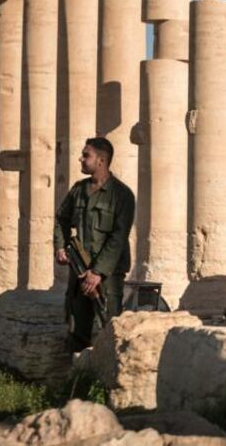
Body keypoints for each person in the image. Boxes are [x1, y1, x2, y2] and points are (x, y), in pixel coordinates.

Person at [54, 137, 135, 352]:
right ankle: (77, 380)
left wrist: (98, 272)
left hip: (107, 276)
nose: (81, 158)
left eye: (86, 155)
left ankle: (107, 382)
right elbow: (61, 218)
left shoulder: (122, 195)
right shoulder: (78, 190)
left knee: (111, 328)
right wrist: (61, 246)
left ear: (101, 160)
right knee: (76, 328)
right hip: (79, 270)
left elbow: (118, 237)